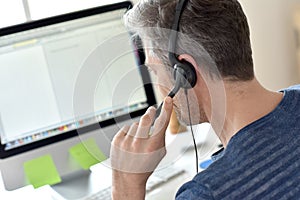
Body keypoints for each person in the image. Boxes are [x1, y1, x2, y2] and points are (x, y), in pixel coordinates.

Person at [110, 0, 300, 199]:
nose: (159, 88)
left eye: (155, 71)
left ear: (185, 71)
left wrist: (125, 187)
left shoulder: (208, 193)